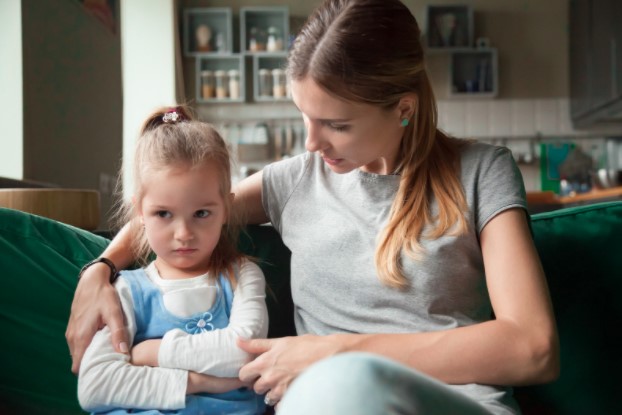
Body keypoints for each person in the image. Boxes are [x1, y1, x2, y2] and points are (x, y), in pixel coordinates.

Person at [67, 0, 559, 413]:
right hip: (319, 404)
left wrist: (334, 353)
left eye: (337, 124)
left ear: (403, 109)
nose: (312, 142)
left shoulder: (481, 171)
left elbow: (533, 348)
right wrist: (99, 270)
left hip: (445, 402)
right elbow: (181, 212)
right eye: (304, 116)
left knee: (347, 384)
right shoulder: (294, 181)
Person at [76, 106, 268, 414]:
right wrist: (199, 381)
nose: (184, 234)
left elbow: (243, 352)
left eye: (202, 214)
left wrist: (152, 352)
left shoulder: (242, 275)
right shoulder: (125, 289)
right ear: (140, 211)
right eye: (163, 214)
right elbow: (95, 386)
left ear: (226, 210)